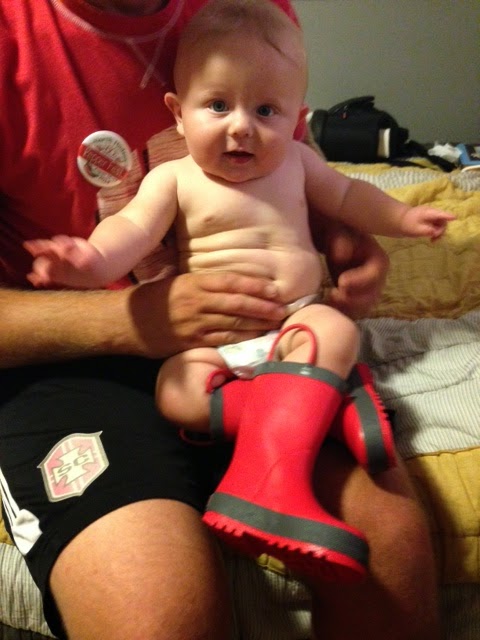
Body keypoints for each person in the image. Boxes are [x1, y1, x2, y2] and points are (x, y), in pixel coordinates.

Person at [0, 0, 440, 639]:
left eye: (264, 112)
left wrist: (350, 231)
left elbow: (322, 183)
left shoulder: (255, 14)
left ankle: (275, 455)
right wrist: (108, 293)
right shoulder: (21, 41)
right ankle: (265, 433)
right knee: (162, 620)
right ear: (178, 113)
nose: (242, 129)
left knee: (390, 558)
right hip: (74, 360)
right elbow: (126, 233)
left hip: (281, 345)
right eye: (218, 107)